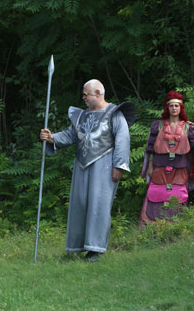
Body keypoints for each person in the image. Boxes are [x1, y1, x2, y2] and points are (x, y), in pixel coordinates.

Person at [39, 79, 135, 261]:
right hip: (81, 164)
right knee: (80, 203)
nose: (83, 97)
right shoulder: (82, 115)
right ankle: (78, 246)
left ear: (98, 93)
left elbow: (123, 140)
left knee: (99, 205)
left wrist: (119, 166)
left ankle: (95, 249)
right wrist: (52, 138)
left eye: (86, 94)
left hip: (104, 164)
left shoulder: (114, 114)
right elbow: (71, 135)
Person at [138, 91, 194, 224]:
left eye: (176, 106)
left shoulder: (187, 127)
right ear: (167, 108)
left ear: (181, 108)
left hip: (180, 168)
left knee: (178, 193)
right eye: (171, 106)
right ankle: (150, 224)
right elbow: (150, 148)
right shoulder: (158, 126)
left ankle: (176, 224)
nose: (174, 108)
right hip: (159, 167)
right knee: (156, 192)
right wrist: (150, 165)